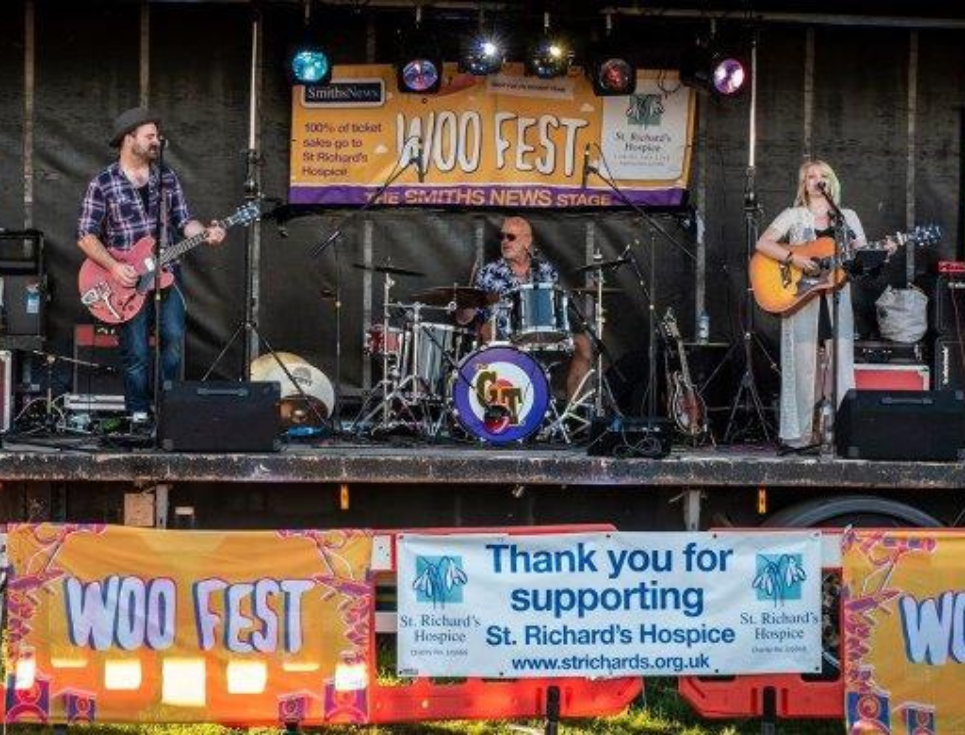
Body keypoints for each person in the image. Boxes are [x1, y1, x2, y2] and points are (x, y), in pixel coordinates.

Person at [77, 107, 226, 422]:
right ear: (128, 139)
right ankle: (139, 414)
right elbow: (85, 237)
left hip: (166, 273)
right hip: (126, 280)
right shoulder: (103, 182)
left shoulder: (166, 178)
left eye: (157, 136)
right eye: (149, 136)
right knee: (136, 353)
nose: (156, 141)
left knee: (173, 340)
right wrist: (115, 267)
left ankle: (169, 411)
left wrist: (205, 233)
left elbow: (184, 221)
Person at [755, 159, 894, 449]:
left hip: (835, 297)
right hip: (801, 297)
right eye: (810, 177)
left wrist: (882, 252)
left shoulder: (847, 217)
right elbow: (763, 244)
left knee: (841, 368)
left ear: (831, 182)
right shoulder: (793, 215)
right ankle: (801, 437)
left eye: (823, 176)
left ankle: (844, 436)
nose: (817, 180)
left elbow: (860, 260)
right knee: (803, 369)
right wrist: (795, 259)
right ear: (804, 185)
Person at [457, 215, 593, 400]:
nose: (504, 242)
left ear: (527, 241)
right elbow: (465, 319)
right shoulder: (489, 273)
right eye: (501, 237)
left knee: (583, 342)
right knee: (488, 329)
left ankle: (574, 413)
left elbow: (557, 310)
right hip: (505, 336)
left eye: (511, 237)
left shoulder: (545, 270)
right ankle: (505, 402)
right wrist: (466, 302)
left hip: (545, 334)